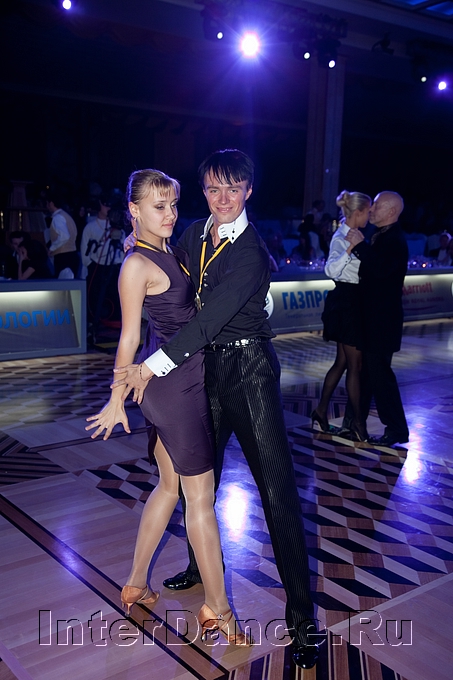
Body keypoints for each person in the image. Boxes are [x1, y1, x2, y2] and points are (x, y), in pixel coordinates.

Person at [114, 149, 321, 669]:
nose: (222, 198)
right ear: (204, 191)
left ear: (248, 190)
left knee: (277, 495)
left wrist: (149, 366)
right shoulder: (192, 234)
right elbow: (166, 278)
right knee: (196, 481)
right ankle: (197, 569)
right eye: (213, 188)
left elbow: (207, 320)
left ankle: (302, 621)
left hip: (248, 373)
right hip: (200, 374)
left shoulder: (252, 252)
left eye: (233, 188)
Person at [85, 169, 250, 646]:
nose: (171, 214)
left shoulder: (168, 251)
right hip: (176, 391)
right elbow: (128, 338)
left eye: (173, 204)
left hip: (176, 383)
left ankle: (136, 583)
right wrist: (116, 397)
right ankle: (219, 609)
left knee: (168, 487)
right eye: (159, 206)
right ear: (134, 210)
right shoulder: (137, 264)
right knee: (200, 499)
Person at [343, 191, 409, 447]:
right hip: (372, 319)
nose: (371, 210)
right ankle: (355, 423)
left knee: (381, 377)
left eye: (378, 206)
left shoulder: (395, 240)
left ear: (391, 212)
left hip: (383, 322)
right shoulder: (379, 235)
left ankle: (396, 429)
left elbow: (382, 271)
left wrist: (360, 246)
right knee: (369, 375)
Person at [311, 191, 371, 441]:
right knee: (354, 365)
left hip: (354, 301)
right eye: (367, 212)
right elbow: (331, 270)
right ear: (357, 212)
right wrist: (350, 248)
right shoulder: (342, 237)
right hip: (347, 303)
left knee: (343, 362)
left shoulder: (355, 234)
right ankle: (357, 423)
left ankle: (321, 411)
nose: (369, 216)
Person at [80, 196, 125, 326]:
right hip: (96, 267)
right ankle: (94, 324)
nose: (108, 208)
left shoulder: (117, 226)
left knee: (114, 298)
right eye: (106, 204)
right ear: (99, 204)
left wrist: (120, 264)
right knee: (95, 298)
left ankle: (114, 324)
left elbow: (124, 247)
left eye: (110, 205)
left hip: (114, 267)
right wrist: (89, 264)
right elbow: (84, 249)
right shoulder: (90, 227)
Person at [46, 194, 79, 278]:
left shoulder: (58, 218)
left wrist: (52, 248)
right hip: (72, 254)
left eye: (47, 203)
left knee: (63, 284)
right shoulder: (67, 216)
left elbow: (64, 236)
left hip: (63, 257)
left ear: (51, 203)